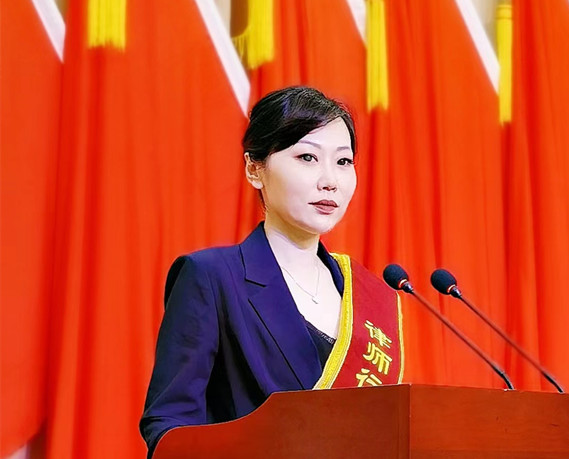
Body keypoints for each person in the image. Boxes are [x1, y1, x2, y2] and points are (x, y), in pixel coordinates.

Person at [140, 86, 404, 457]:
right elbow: (170, 426)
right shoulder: (211, 277)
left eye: (343, 161)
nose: (330, 180)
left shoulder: (367, 295)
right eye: (308, 157)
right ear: (255, 169)